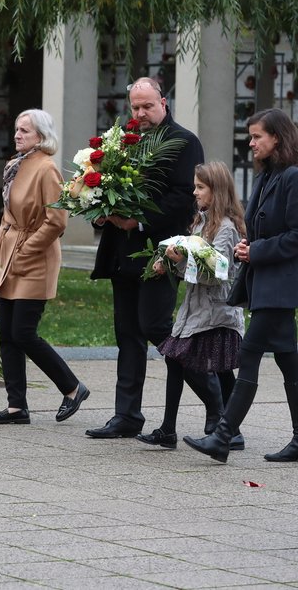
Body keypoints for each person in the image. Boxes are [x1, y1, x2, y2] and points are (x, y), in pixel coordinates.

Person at [184, 108, 298, 463]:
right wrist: (249, 247)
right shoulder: (267, 177)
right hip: (265, 281)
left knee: (249, 356)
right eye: (251, 136)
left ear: (278, 138)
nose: (252, 142)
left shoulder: (294, 179)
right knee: (289, 361)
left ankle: (224, 436)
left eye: (258, 136)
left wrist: (257, 250)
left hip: (281, 285)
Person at [86, 77, 204, 439]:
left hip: (159, 252)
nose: (140, 113)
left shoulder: (184, 142)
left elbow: (185, 198)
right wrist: (99, 208)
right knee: (127, 333)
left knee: (155, 328)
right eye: (135, 107)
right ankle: (127, 415)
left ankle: (219, 401)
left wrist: (138, 220)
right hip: (122, 252)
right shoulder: (121, 143)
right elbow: (104, 184)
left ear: (163, 103)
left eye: (147, 106)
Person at [0, 109, 89, 425]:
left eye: (24, 130)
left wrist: (26, 251)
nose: (17, 134)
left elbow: (57, 221)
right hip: (12, 254)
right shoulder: (14, 165)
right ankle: (16, 407)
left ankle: (72, 388)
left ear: (41, 136)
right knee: (8, 334)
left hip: (36, 258)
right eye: (16, 129)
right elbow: (7, 218)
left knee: (24, 332)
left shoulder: (46, 170)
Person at [136, 162, 245, 449]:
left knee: (219, 369)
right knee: (178, 361)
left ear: (217, 191)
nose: (194, 192)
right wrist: (169, 264)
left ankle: (228, 427)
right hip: (196, 309)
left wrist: (180, 261)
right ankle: (171, 430)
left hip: (216, 310)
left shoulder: (226, 227)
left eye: (200, 187)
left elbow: (219, 272)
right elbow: (196, 267)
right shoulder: (200, 221)